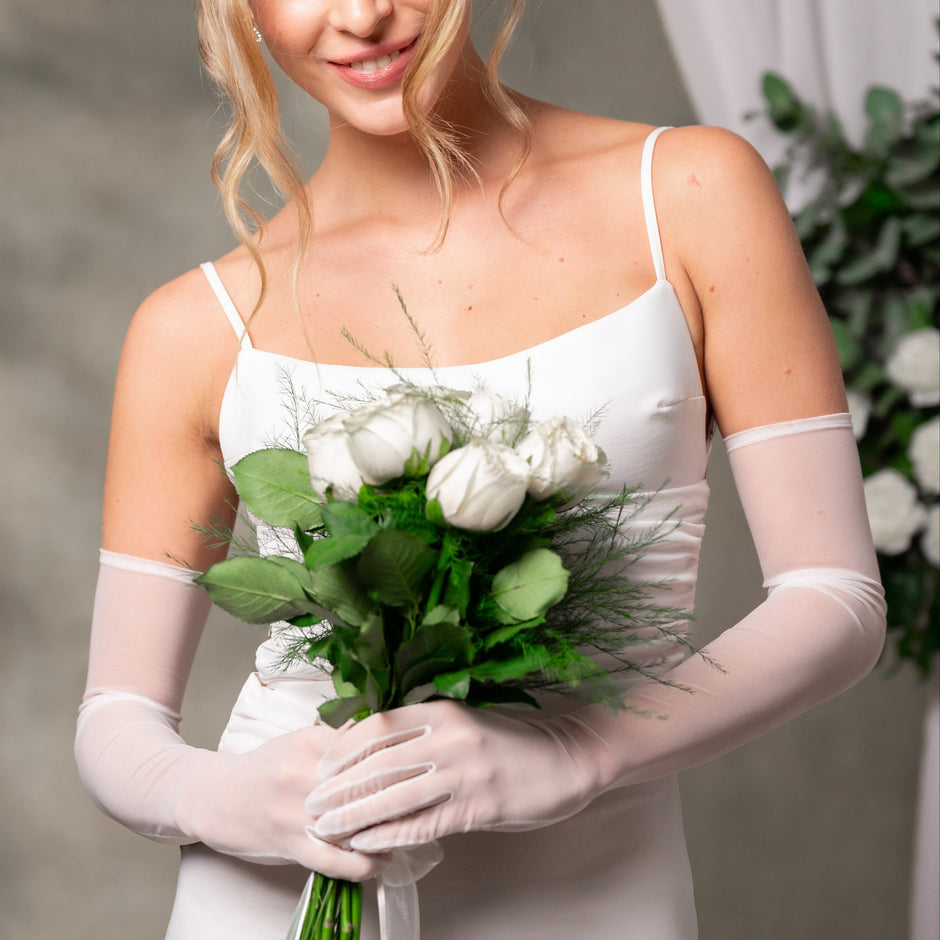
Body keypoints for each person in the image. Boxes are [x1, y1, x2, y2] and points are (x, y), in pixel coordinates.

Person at [74, 1, 887, 937]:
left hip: (594, 884)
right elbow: (116, 722)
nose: (364, 15)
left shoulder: (691, 193)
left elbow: (836, 600)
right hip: (278, 893)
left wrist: (580, 752)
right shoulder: (194, 324)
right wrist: (241, 800)